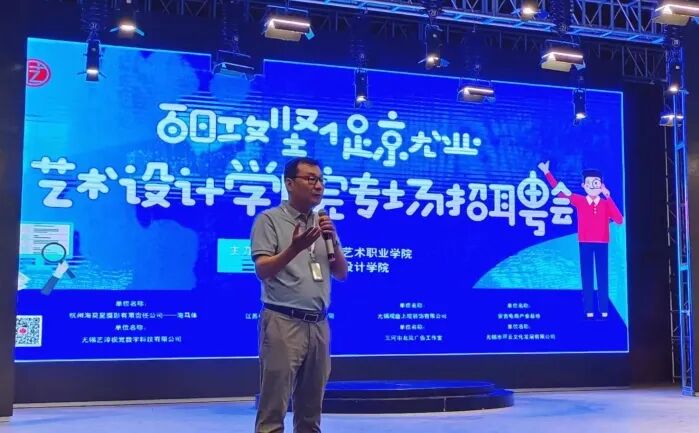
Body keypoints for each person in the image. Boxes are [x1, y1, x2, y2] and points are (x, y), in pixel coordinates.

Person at [251, 157, 348, 433]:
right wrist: (294, 248)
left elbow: (341, 273)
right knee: (273, 409)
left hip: (318, 324)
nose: (318, 186)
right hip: (283, 321)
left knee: (311, 411)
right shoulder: (269, 220)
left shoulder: (322, 223)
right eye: (310, 179)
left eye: (321, 180)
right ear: (290, 184)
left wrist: (332, 237)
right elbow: (262, 269)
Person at [538, 161, 623, 319]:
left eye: (596, 183)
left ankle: (604, 309)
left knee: (602, 276)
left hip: (602, 243)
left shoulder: (606, 204)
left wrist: (608, 196)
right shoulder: (580, 200)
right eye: (589, 183)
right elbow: (561, 193)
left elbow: (619, 219)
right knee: (587, 276)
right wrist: (547, 173)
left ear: (601, 185)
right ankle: (589, 310)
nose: (593, 186)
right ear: (583, 185)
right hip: (585, 242)